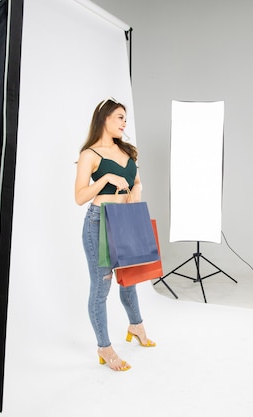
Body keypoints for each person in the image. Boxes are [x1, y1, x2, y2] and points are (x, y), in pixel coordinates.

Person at [75, 97, 156, 371]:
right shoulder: (90, 155)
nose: (124, 122)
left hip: (125, 221)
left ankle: (136, 326)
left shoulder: (129, 152)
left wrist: (137, 192)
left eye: (125, 118)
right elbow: (79, 197)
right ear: (104, 119)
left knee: (130, 277)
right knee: (101, 288)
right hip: (98, 224)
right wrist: (106, 179)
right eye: (120, 117)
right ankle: (104, 347)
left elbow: (136, 181)